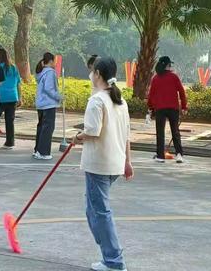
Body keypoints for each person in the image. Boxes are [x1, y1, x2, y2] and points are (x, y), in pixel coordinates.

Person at [73, 57, 133, 271]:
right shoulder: (120, 101)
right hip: (114, 163)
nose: (90, 75)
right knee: (93, 210)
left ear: (97, 73)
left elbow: (92, 132)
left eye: (92, 71)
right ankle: (109, 254)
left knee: (100, 212)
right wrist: (128, 162)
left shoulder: (97, 100)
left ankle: (114, 261)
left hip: (99, 164)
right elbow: (127, 135)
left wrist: (77, 137)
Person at [147, 56, 188, 164]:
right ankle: (179, 154)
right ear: (167, 65)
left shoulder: (155, 78)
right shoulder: (174, 77)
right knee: (175, 131)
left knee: (160, 132)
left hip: (160, 109)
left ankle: (160, 156)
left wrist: (150, 107)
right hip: (173, 108)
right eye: (170, 65)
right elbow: (182, 92)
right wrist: (184, 106)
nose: (171, 67)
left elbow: (151, 95)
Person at [34, 52, 61, 160]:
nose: (55, 63)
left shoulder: (41, 72)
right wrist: (58, 96)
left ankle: (37, 150)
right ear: (50, 61)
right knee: (48, 128)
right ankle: (43, 152)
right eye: (55, 61)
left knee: (41, 127)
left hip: (41, 103)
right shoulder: (50, 72)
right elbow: (49, 88)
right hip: (48, 104)